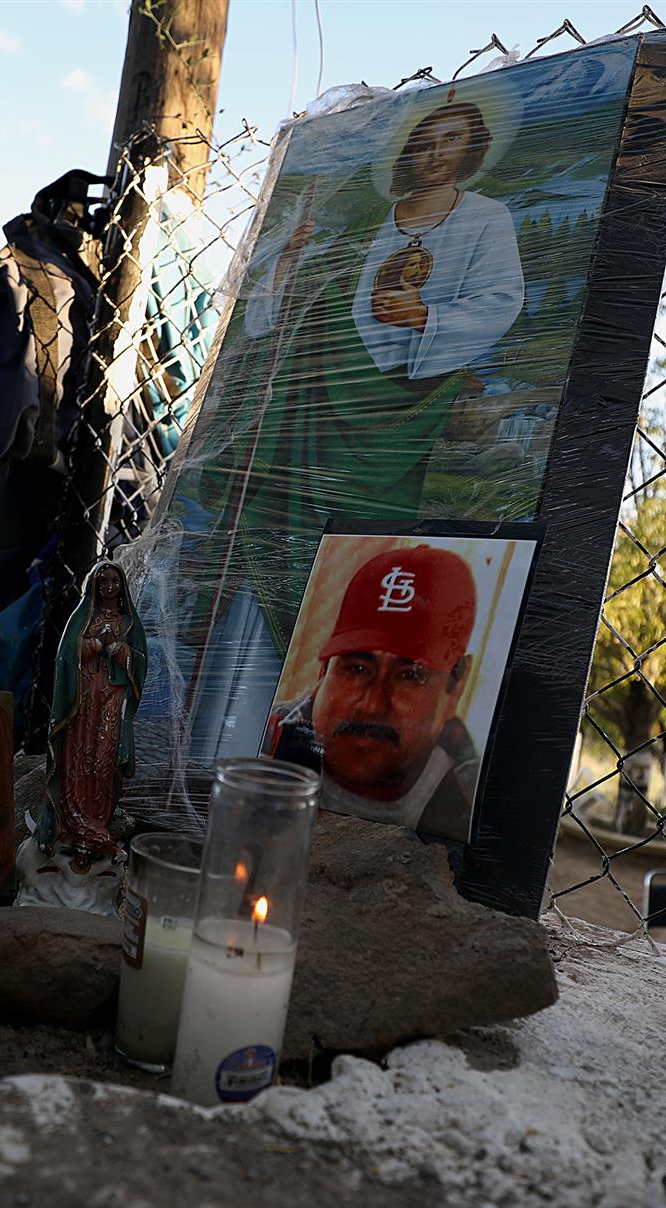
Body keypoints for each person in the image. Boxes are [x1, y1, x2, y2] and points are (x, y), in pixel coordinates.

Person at [182, 87, 526, 761]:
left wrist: (424, 319)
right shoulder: (371, 215)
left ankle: (318, 727)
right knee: (272, 541)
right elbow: (290, 307)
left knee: (356, 554)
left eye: (450, 140)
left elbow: (499, 301)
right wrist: (291, 260)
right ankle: (219, 747)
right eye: (425, 140)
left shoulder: (486, 220)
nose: (434, 152)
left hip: (394, 411)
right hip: (309, 406)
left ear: (474, 151)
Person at [264, 544, 481, 840]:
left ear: (456, 687)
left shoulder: (477, 804)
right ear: (323, 670)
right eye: (357, 668)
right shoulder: (263, 742)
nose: (373, 704)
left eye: (410, 675)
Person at [39, 560, 148, 866]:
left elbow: (140, 661)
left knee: (104, 762)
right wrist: (94, 644)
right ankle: (71, 822)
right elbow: (66, 654)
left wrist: (118, 650)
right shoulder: (83, 618)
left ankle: (97, 822)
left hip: (112, 702)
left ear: (121, 586)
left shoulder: (128, 623)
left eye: (114, 581)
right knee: (77, 758)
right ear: (95, 585)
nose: (109, 587)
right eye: (104, 581)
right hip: (82, 702)